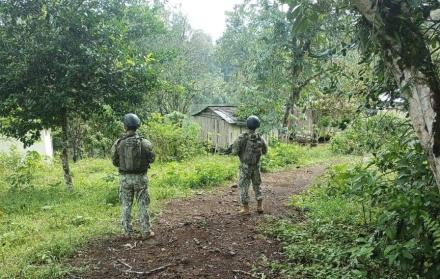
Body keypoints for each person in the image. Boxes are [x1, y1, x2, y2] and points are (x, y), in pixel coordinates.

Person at [111, 113, 155, 239]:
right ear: (138, 125)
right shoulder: (145, 143)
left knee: (126, 205)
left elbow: (114, 161)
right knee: (143, 204)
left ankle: (127, 232)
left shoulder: (118, 143)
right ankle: (146, 232)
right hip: (141, 178)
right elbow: (152, 159)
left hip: (125, 178)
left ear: (125, 126)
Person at [231, 115, 268, 214]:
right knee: (257, 185)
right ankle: (260, 206)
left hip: (245, 166)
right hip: (256, 166)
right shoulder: (260, 138)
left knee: (244, 186)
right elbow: (265, 151)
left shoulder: (242, 137)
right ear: (257, 125)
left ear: (247, 125)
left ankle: (246, 209)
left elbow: (234, 151)